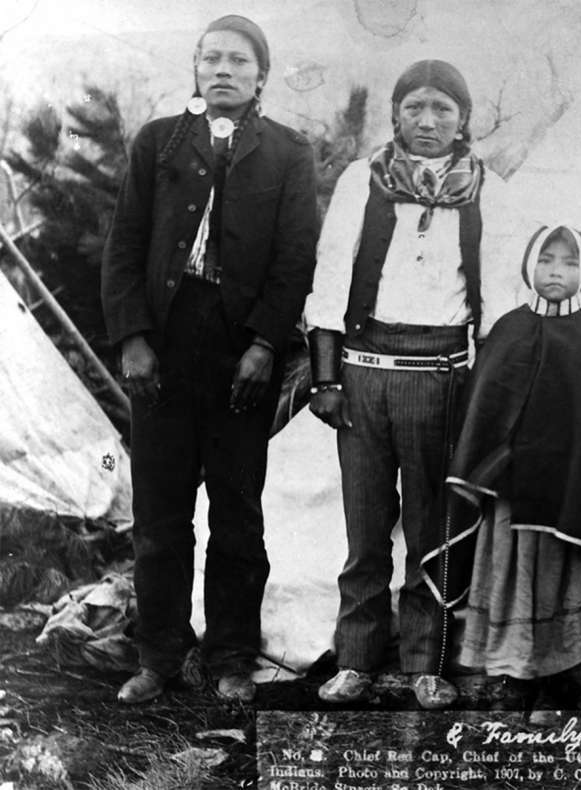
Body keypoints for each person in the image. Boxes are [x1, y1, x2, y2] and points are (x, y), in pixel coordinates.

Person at [101, 15, 318, 704]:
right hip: (163, 347)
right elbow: (125, 244)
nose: (222, 70)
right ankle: (159, 657)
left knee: (236, 514)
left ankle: (230, 656)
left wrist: (262, 345)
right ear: (195, 69)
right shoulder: (158, 142)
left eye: (238, 61)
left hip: (239, 353)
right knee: (161, 514)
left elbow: (293, 261)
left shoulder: (288, 153)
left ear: (261, 75)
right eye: (210, 59)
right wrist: (134, 340)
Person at [305, 59, 517, 709]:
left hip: (444, 378)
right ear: (396, 114)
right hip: (366, 374)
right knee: (365, 528)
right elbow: (332, 276)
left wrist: (487, 393)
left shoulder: (491, 191)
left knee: (433, 529)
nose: (427, 122)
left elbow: (503, 296)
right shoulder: (361, 183)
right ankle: (358, 658)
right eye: (415, 108)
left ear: (463, 120)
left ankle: (429, 661)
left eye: (443, 110)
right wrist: (326, 377)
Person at [422, 224, 581, 715]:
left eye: (567, 263)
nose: (555, 271)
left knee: (560, 578)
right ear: (529, 267)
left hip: (569, 506)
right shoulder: (509, 330)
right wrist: (497, 462)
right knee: (509, 578)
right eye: (546, 261)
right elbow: (486, 414)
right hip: (510, 500)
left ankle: (566, 673)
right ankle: (512, 673)